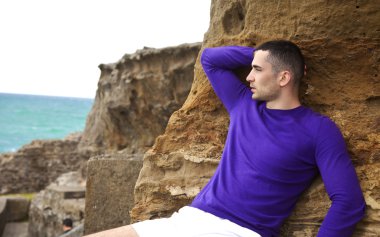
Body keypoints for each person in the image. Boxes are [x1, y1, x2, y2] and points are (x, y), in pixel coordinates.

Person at [84, 40, 366, 237]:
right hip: (185, 221)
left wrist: (278, 59)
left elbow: (348, 201)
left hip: (238, 231)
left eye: (257, 70)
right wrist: (260, 55)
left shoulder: (319, 129)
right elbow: (210, 59)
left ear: (283, 78)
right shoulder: (244, 105)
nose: (249, 77)